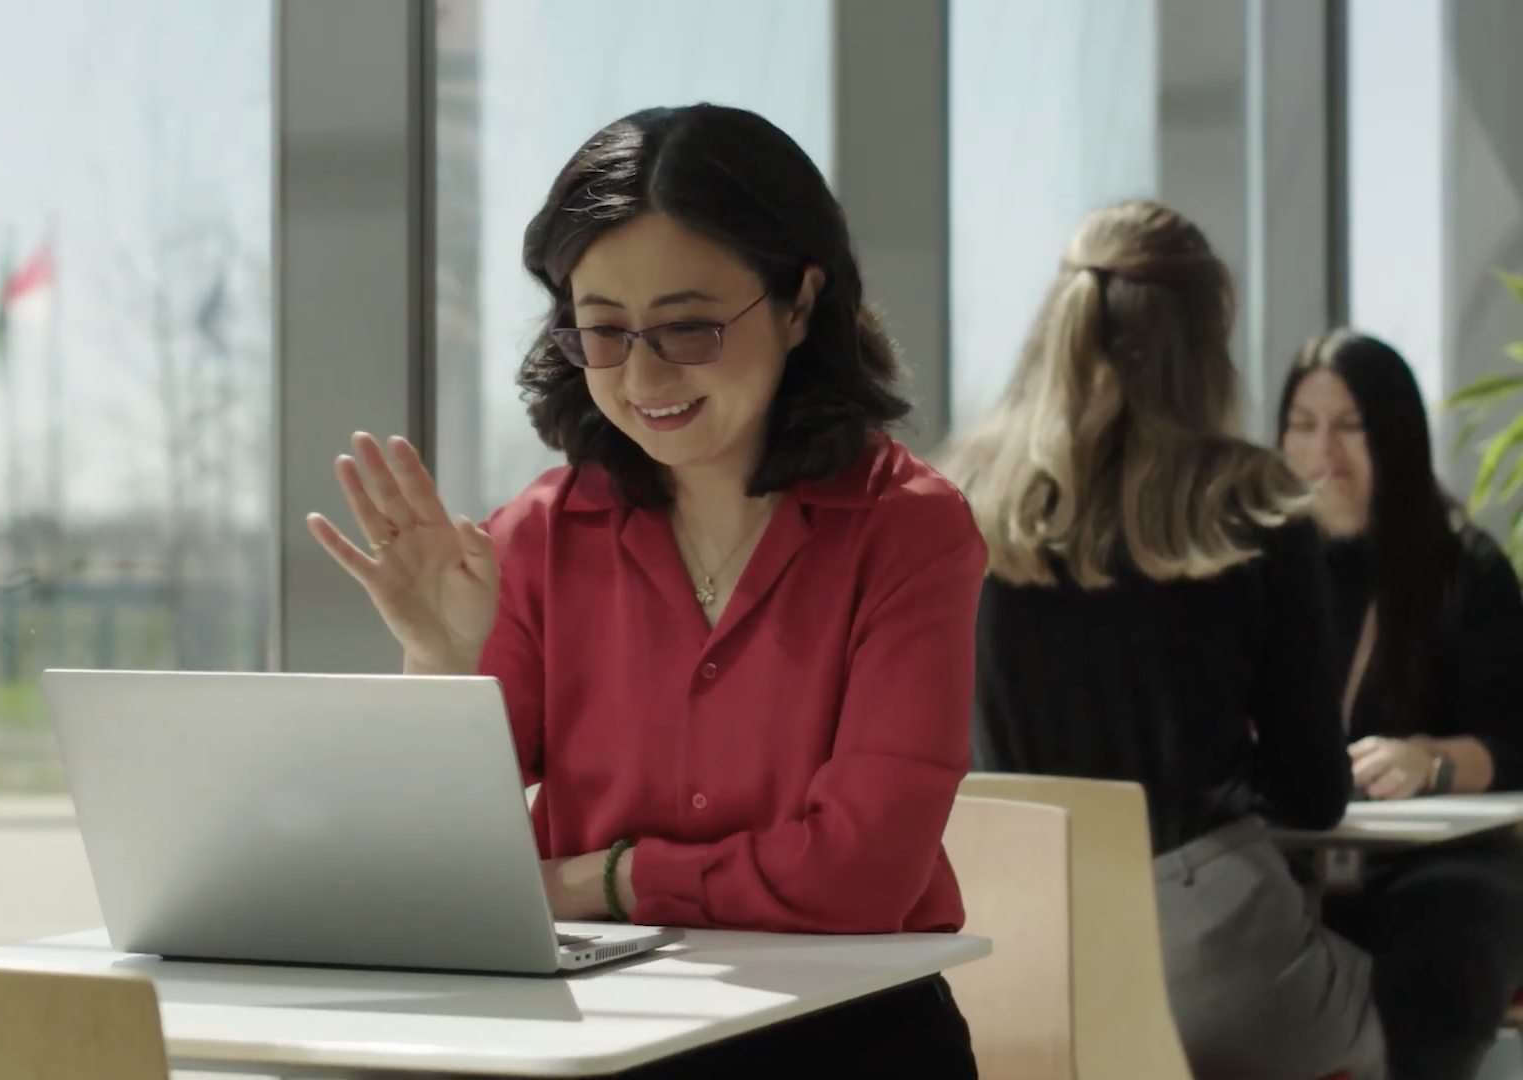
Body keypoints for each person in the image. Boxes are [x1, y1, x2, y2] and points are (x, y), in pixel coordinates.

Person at [306, 103, 984, 1078]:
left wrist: (604, 878)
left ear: (799, 302)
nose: (642, 376)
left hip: (847, 1040)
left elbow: (859, 874)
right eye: (603, 332)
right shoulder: (536, 537)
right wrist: (437, 665)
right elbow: (443, 870)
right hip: (594, 1039)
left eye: (688, 328)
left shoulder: (909, 531)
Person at [950, 200, 1385, 1080]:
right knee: (1392, 1008)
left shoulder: (958, 499)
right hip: (1207, 957)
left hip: (1002, 961)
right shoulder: (1254, 507)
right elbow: (1314, 795)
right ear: (1206, 338)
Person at [1279, 329, 1523, 1080]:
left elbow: (1514, 742)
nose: (1323, 453)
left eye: (1350, 427)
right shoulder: (1257, 566)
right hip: (1288, 853)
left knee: (1447, 937)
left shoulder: (1466, 569)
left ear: (1396, 437)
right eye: (1303, 425)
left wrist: (1429, 761)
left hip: (1439, 862)